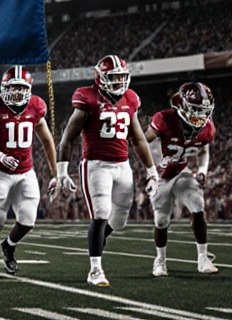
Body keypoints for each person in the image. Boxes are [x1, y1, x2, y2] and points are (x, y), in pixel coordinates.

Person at [58, 55, 159, 288]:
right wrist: (62, 172)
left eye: (121, 78)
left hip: (123, 165)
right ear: (100, 79)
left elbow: (138, 139)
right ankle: (95, 269)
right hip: (96, 165)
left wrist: (151, 172)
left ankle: (97, 241)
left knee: (120, 219)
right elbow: (68, 138)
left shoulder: (130, 99)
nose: (118, 84)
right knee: (101, 212)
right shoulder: (88, 98)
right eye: (112, 79)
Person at [0, 66, 61, 286]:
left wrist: (55, 174)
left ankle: (9, 245)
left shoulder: (36, 107)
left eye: (22, 88)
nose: (18, 92)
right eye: (14, 87)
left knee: (28, 220)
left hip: (25, 172)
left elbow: (47, 141)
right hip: (1, 173)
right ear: (5, 87)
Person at [147, 82, 218, 276]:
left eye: (205, 111)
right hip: (160, 176)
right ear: (184, 107)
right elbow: (142, 143)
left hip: (181, 170)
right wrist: (150, 171)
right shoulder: (164, 120)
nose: (201, 116)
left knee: (198, 205)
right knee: (161, 220)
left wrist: (202, 170)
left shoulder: (207, 128)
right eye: (197, 110)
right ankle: (160, 261)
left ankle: (203, 259)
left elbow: (204, 149)